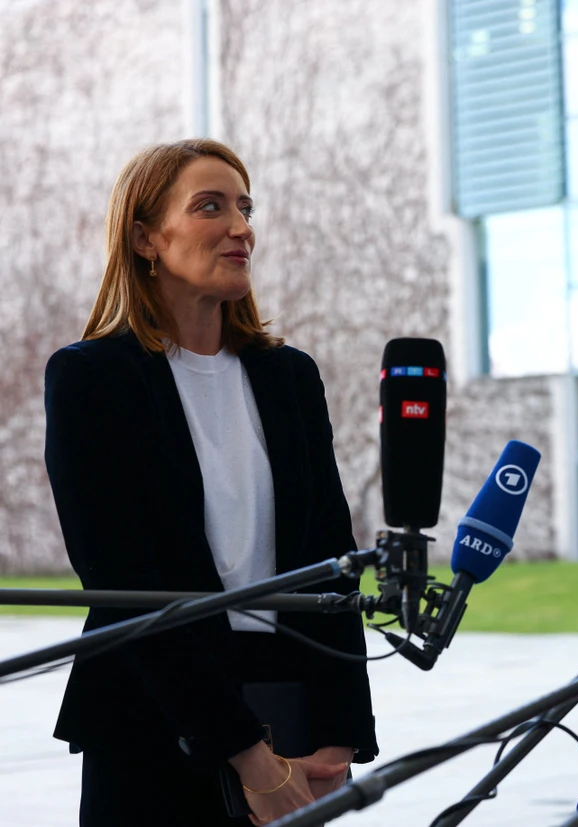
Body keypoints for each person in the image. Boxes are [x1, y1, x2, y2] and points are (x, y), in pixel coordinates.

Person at [44, 138, 378, 826]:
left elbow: (333, 557)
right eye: (210, 207)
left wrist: (340, 734)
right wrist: (248, 756)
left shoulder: (291, 377)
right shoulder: (90, 378)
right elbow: (122, 582)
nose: (240, 227)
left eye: (245, 208)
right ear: (146, 238)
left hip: (293, 715)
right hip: (153, 721)